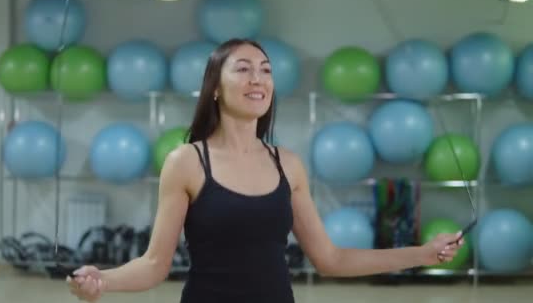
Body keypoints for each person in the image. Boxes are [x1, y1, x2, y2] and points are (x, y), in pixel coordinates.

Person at [66, 39, 465, 302]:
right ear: (216, 87)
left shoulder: (287, 164)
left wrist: (423, 253)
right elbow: (155, 265)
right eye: (243, 69)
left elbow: (331, 259)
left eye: (266, 70)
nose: (258, 78)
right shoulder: (186, 161)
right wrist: (102, 280)